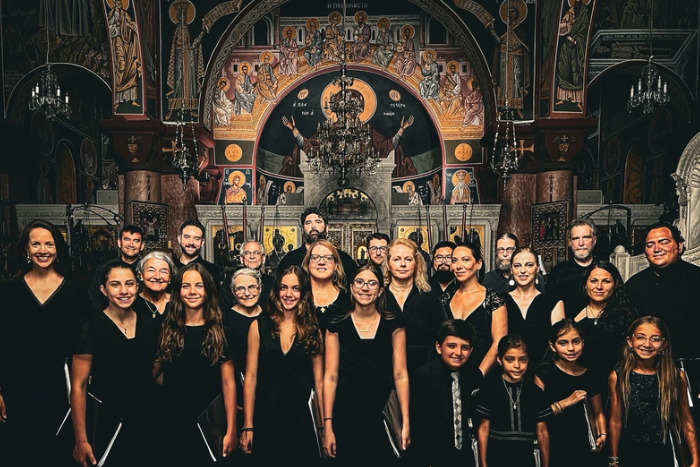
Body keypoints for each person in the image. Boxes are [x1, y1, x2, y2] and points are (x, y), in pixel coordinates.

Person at [0, 220, 89, 467]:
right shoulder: (7, 290)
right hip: (15, 389)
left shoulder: (76, 290)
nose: (43, 250)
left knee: (58, 455)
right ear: (26, 249)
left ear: (58, 248)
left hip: (60, 390)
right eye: (36, 244)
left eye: (49, 244)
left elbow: (83, 348)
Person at [71, 263, 159, 467]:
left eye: (129, 284)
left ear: (138, 286)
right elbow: (78, 386)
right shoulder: (90, 326)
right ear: (103, 289)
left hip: (147, 417)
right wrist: (81, 438)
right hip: (107, 420)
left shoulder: (151, 325)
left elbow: (154, 373)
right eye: (115, 284)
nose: (123, 291)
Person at [323, 265, 410, 465]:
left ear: (380, 290)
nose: (365, 288)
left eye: (372, 283)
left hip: (381, 410)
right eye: (360, 282)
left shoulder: (394, 324)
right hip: (346, 411)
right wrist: (327, 426)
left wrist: (405, 421)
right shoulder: (336, 325)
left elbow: (400, 374)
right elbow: (330, 377)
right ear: (352, 287)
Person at [240, 266, 323, 466]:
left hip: (301, 418)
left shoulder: (313, 330)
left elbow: (320, 383)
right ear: (277, 290)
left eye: (295, 288)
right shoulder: (258, 326)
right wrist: (248, 425)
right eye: (284, 287)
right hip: (266, 416)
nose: (288, 294)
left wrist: (323, 428)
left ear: (303, 293)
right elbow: (250, 378)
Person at [155, 263, 236, 465]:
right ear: (178, 291)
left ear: (208, 291)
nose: (192, 291)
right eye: (186, 285)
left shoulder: (221, 332)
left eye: (199, 286)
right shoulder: (166, 329)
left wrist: (232, 428)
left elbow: (228, 384)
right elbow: (153, 374)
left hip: (209, 419)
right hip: (171, 418)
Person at [608, 317, 699, 467]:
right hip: (630, 453)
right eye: (641, 337)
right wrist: (613, 460)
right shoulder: (618, 376)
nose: (647, 344)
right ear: (630, 341)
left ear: (663, 345)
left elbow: (686, 420)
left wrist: (696, 460)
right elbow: (615, 420)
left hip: (664, 454)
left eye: (655, 339)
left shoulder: (676, 376)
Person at [534, 319, 607, 467]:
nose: (571, 348)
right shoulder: (544, 373)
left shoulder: (590, 374)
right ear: (552, 346)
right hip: (555, 444)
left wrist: (602, 434)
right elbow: (537, 414)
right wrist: (566, 402)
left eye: (576, 342)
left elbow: (598, 412)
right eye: (563, 343)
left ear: (583, 342)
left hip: (584, 444)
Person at [411, 319, 483, 467]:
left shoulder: (474, 376)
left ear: (471, 350)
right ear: (439, 347)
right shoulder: (423, 377)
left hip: (464, 455)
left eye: (465, 348)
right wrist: (427, 460)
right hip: (434, 455)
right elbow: (419, 425)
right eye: (451, 346)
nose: (458, 353)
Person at [625, 222, 700, 362]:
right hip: (645, 363)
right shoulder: (633, 284)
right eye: (650, 245)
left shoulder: (696, 278)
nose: (657, 248)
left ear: (679, 246)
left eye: (664, 242)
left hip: (690, 361)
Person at [475, 334, 551, 467]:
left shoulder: (535, 392)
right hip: (496, 456)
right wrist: (483, 463)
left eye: (522, 360)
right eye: (510, 359)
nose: (517, 365)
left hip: (526, 457)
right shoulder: (489, 390)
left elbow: (542, 432)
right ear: (499, 359)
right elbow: (483, 428)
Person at [383, 238, 448, 372]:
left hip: (424, 373)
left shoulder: (429, 299)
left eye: (408, 259)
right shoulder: (378, 298)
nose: (402, 264)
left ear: (416, 263)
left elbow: (443, 336)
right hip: (385, 372)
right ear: (388, 265)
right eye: (396, 259)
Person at [444, 242, 507, 377]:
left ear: (478, 264)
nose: (459, 266)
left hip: (483, 372)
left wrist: (479, 374)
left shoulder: (493, 298)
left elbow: (499, 342)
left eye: (465, 260)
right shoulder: (445, 298)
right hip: (448, 374)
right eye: (454, 261)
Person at [574, 261, 636, 386]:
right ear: (585, 284)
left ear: (616, 284)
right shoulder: (574, 316)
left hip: (620, 382)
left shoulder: (627, 316)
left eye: (606, 281)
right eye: (593, 281)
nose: (599, 287)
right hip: (584, 384)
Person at [505, 247, 565, 365]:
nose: (523, 270)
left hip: (543, 371)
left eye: (529, 265)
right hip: (507, 370)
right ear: (511, 269)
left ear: (537, 267)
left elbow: (560, 344)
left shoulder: (554, 302)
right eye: (517, 266)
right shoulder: (500, 300)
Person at [275, 208, 356, 281]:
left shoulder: (343, 259)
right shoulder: (289, 260)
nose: (313, 226)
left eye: (318, 222)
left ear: (327, 228)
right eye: (308, 223)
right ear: (302, 230)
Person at [546, 218, 597, 317]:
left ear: (594, 240)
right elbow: (549, 308)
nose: (581, 243)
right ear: (570, 242)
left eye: (586, 237)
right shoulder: (558, 272)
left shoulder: (605, 270)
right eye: (575, 238)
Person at [88, 225, 144, 313]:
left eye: (136, 241)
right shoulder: (103, 268)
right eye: (127, 239)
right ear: (119, 242)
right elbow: (95, 299)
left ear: (142, 245)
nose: (131, 244)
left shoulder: (147, 270)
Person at [302, 240, 351, 333]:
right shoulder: (298, 296)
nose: (321, 262)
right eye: (315, 257)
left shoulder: (348, 297)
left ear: (336, 265)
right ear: (308, 264)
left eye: (328, 258)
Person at [132, 251, 176, 326]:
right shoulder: (132, 304)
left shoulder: (177, 302)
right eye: (151, 270)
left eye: (163, 271)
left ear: (170, 277)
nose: (157, 277)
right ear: (141, 275)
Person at [238, 240, 274, 307]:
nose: (252, 257)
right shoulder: (230, 283)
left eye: (256, 253)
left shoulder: (273, 282)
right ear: (241, 259)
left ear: (263, 258)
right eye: (247, 253)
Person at [428, 240, 458, 305]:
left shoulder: (463, 288)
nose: (443, 261)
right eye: (439, 257)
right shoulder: (424, 287)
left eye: (449, 257)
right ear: (433, 261)